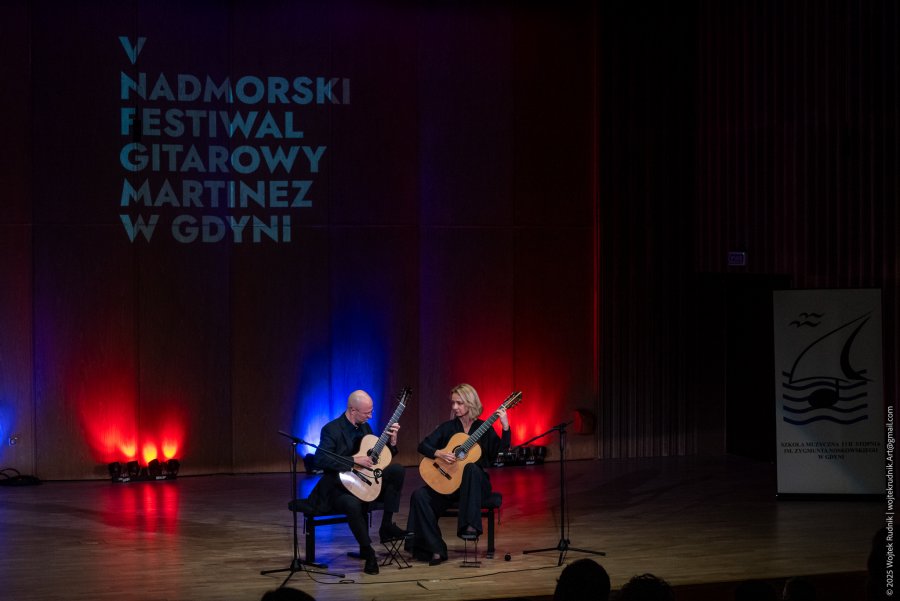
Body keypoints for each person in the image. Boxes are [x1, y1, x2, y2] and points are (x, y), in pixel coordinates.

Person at [405, 383, 511, 565]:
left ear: (470, 403)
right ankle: (436, 548)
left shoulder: (484, 428)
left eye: (459, 403)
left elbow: (499, 454)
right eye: (453, 403)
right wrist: (439, 453)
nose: (454, 407)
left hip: (476, 485)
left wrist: (505, 427)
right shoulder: (448, 428)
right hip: (452, 484)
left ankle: (469, 525)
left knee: (470, 468)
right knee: (419, 496)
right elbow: (423, 446)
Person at [306, 390, 407, 575]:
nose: (371, 415)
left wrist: (392, 443)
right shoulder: (331, 429)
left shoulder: (365, 428)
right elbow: (319, 460)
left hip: (364, 482)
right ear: (353, 410)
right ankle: (368, 553)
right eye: (367, 412)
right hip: (338, 488)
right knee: (352, 504)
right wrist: (353, 461)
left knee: (397, 470)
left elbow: (377, 459)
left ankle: (386, 525)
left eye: (371, 411)